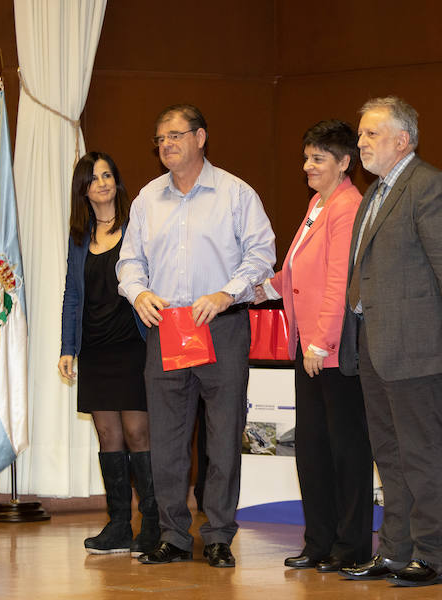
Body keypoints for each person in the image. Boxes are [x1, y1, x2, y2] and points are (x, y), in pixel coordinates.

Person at [117, 104, 275, 569]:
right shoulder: (147, 199)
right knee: (166, 438)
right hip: (166, 328)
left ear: (201, 137)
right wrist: (138, 292)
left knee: (223, 436)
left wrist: (227, 294)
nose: (166, 145)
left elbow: (262, 254)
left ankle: (220, 535)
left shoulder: (235, 193)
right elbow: (128, 261)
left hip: (220, 327)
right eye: (159, 139)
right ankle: (173, 535)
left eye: (175, 136)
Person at [338, 97, 442, 587]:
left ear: (402, 139)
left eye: (371, 135)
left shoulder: (431, 187)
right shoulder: (377, 193)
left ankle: (433, 555)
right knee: (390, 456)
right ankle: (395, 551)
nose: (361, 143)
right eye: (360, 135)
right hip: (375, 346)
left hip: (418, 348)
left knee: (421, 454)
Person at [254, 120, 373, 572]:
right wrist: (257, 289)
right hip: (308, 348)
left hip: (333, 351)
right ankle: (318, 542)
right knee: (314, 450)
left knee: (346, 451)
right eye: (306, 157)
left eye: (318, 158)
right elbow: (295, 274)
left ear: (345, 163)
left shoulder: (347, 206)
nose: (307, 166)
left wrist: (321, 344)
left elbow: (339, 282)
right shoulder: (317, 204)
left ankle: (351, 546)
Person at [58, 151, 159, 556]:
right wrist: (68, 347)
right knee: (107, 434)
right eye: (93, 177)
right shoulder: (79, 238)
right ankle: (118, 524)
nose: (101, 183)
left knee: (137, 433)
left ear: (117, 182)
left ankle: (151, 524)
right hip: (96, 349)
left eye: (107, 175)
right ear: (82, 189)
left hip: (133, 346)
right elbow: (71, 294)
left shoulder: (138, 228)